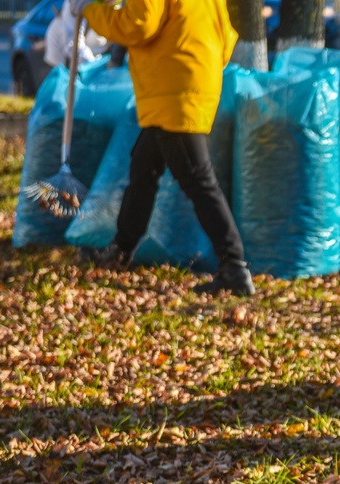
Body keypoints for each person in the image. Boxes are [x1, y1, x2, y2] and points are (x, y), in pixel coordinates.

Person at [73, 0, 254, 298]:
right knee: (143, 167)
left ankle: (234, 267)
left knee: (198, 179)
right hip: (187, 79)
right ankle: (121, 249)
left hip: (175, 89)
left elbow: (139, 24)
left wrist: (92, 11)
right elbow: (226, 33)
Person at [44, 0, 109, 70]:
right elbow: (73, 42)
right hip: (62, 55)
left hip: (91, 57)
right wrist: (93, 66)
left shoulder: (115, 5)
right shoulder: (77, 3)